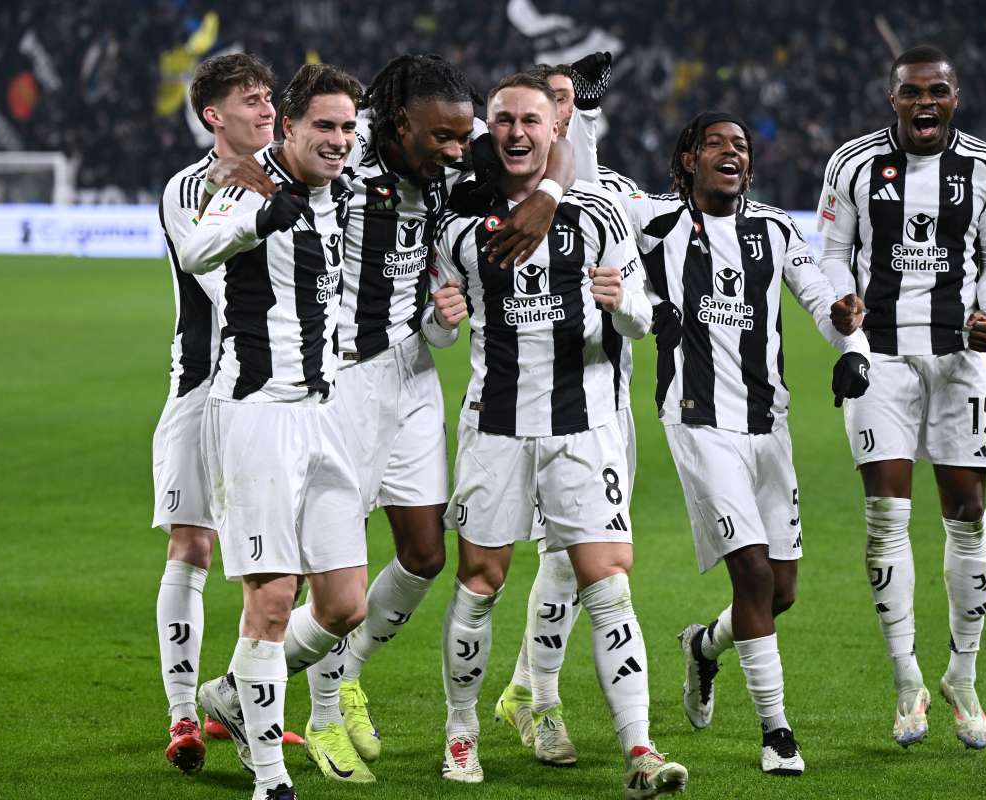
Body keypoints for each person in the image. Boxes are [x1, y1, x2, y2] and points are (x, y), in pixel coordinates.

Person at [198, 53, 575, 778]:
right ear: (398, 124)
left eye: (463, 137)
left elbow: (554, 147)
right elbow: (266, 162)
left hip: (412, 368)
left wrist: (548, 197)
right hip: (339, 379)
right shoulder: (345, 157)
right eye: (443, 138)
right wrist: (230, 172)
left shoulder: (450, 158)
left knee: (425, 554)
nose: (459, 152)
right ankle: (321, 713)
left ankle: (257, 689)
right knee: (327, 572)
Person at [428, 72, 687, 799]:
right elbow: (438, 331)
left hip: (584, 426)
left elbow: (644, 315)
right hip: (496, 427)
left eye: (531, 121)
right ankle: (461, 733)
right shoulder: (457, 223)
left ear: (554, 131)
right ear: (490, 130)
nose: (517, 132)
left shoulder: (598, 214)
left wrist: (622, 303)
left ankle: (640, 748)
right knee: (480, 584)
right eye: (504, 120)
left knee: (608, 583)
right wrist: (441, 320)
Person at [610, 110, 870, 776]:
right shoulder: (652, 222)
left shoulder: (775, 229)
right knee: (752, 575)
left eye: (742, 145)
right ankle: (777, 732)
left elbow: (823, 299)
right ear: (689, 159)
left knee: (780, 593)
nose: (732, 152)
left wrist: (851, 343)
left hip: (768, 423)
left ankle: (703, 647)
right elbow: (595, 203)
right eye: (716, 143)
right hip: (697, 421)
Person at [815, 44, 986, 750]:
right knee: (886, 516)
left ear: (955, 98)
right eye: (912, 92)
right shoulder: (853, 163)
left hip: (961, 360)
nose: (925, 102)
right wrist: (844, 308)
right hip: (882, 359)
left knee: (967, 516)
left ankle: (962, 676)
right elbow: (832, 253)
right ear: (892, 98)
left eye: (937, 91)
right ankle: (907, 681)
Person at [180, 63, 368, 800]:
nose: (339, 139)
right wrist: (259, 219)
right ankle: (270, 779)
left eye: (348, 127)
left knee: (345, 604)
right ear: (287, 126)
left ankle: (232, 692)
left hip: (327, 413)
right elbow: (196, 250)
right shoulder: (250, 185)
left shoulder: (343, 187)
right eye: (324, 125)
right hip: (257, 415)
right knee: (272, 600)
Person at [492, 55, 623, 766]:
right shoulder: (494, 194)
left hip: (608, 400)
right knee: (566, 557)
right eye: (553, 101)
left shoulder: (609, 196)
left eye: (570, 101)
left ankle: (525, 688)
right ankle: (539, 699)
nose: (559, 112)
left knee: (581, 563)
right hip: (537, 405)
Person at [152, 52, 276, 775]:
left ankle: (240, 699)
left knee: (280, 562)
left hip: (276, 392)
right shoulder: (189, 187)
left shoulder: (297, 174)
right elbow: (217, 276)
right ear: (213, 115)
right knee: (193, 544)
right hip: (203, 386)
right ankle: (182, 715)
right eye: (251, 99)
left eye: (269, 97)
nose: (267, 108)